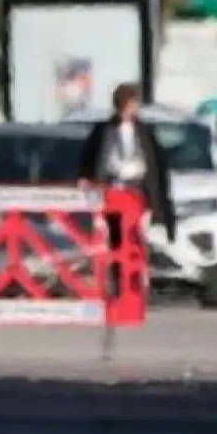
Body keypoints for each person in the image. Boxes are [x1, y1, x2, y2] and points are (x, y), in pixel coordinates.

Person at [78, 83, 176, 290]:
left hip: (138, 190)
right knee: (116, 237)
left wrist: (156, 197)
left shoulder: (143, 131)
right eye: (132, 104)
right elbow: (90, 158)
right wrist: (86, 179)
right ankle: (120, 280)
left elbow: (156, 163)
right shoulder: (104, 130)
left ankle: (138, 276)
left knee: (138, 234)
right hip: (113, 190)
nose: (135, 108)